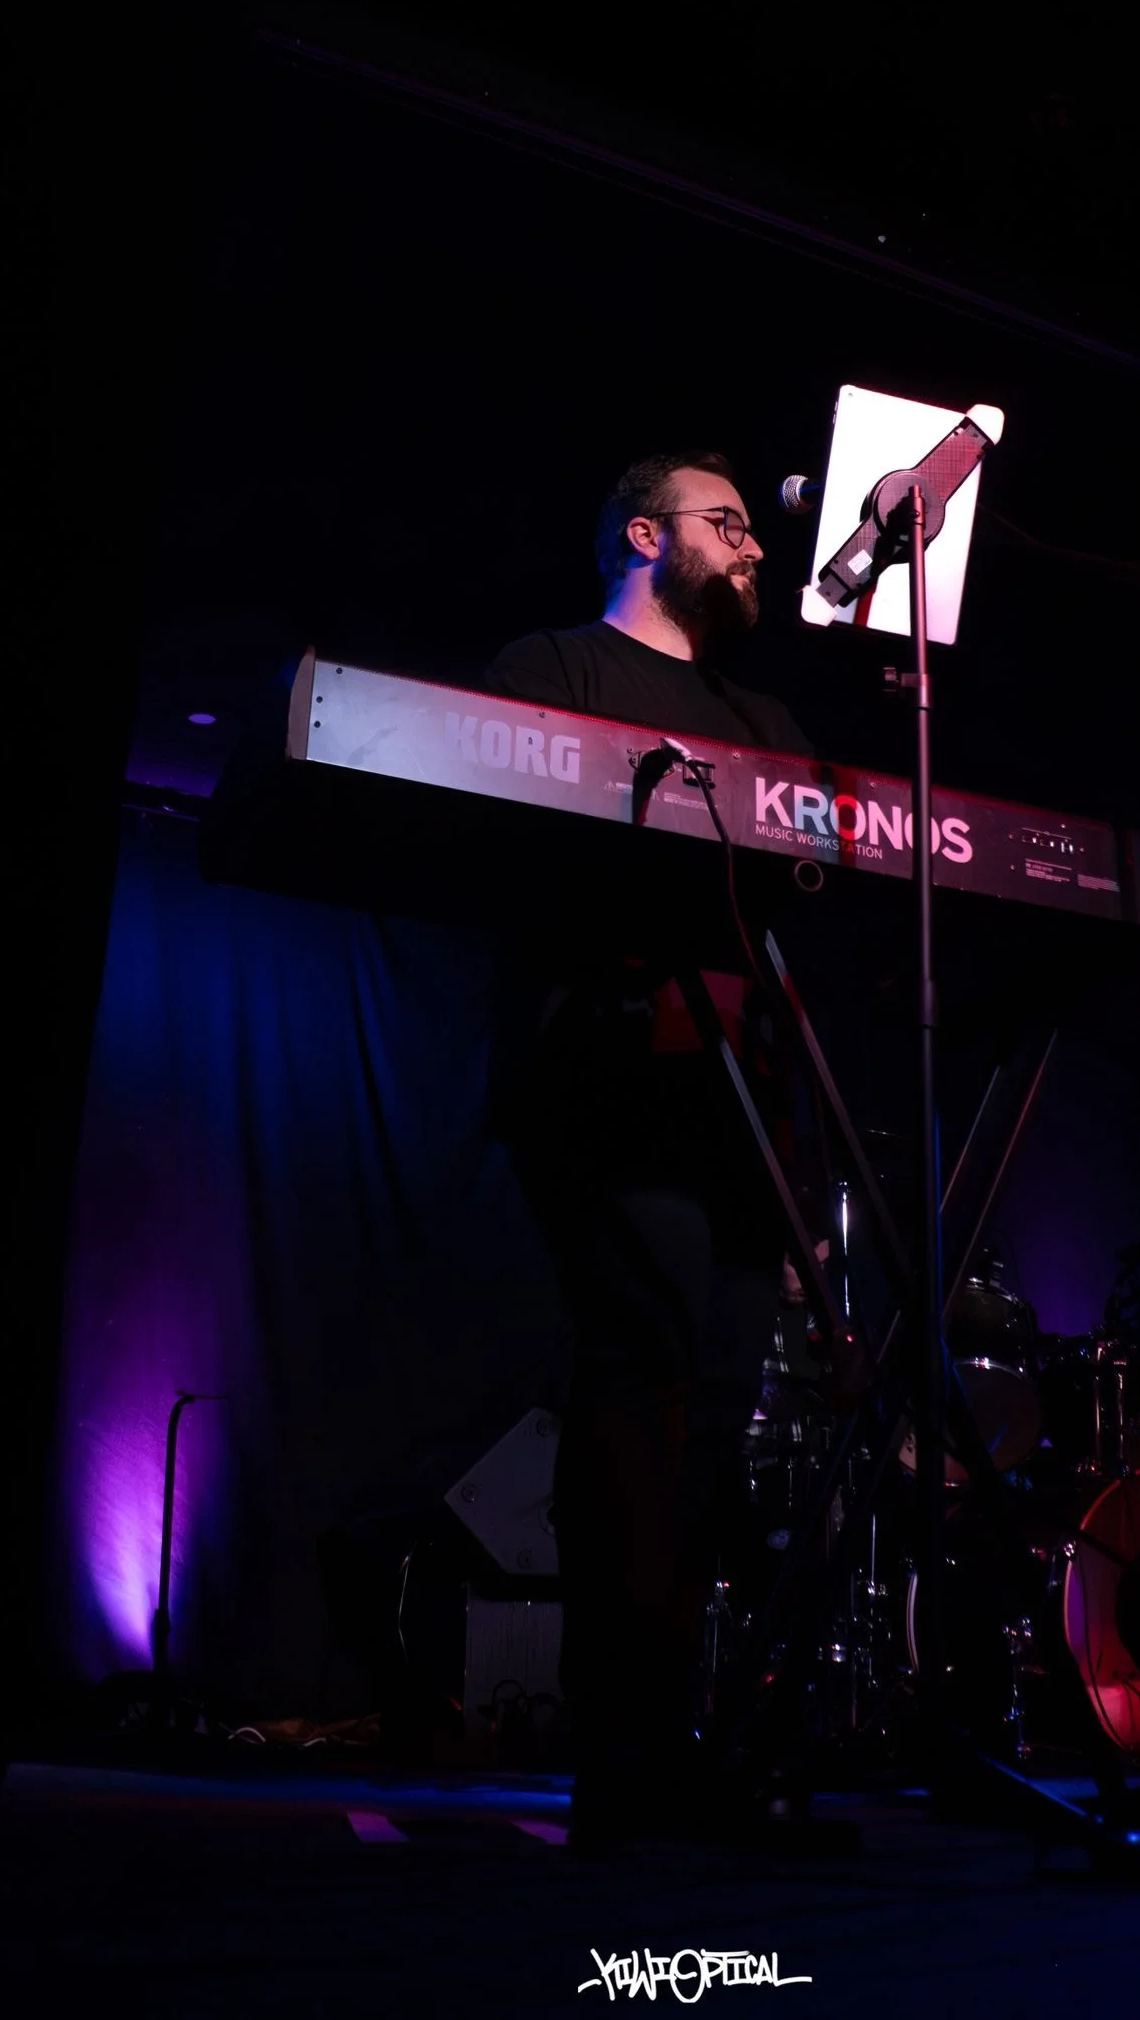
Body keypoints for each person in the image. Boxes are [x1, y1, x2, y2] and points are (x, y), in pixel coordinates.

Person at [484, 451, 819, 1846]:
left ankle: (676, 1739)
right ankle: (617, 1746)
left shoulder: (764, 715)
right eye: (726, 522)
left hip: (744, 1109)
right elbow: (503, 847)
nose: (751, 547)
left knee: (717, 1408)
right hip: (611, 1076)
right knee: (640, 1383)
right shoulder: (553, 666)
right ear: (642, 533)